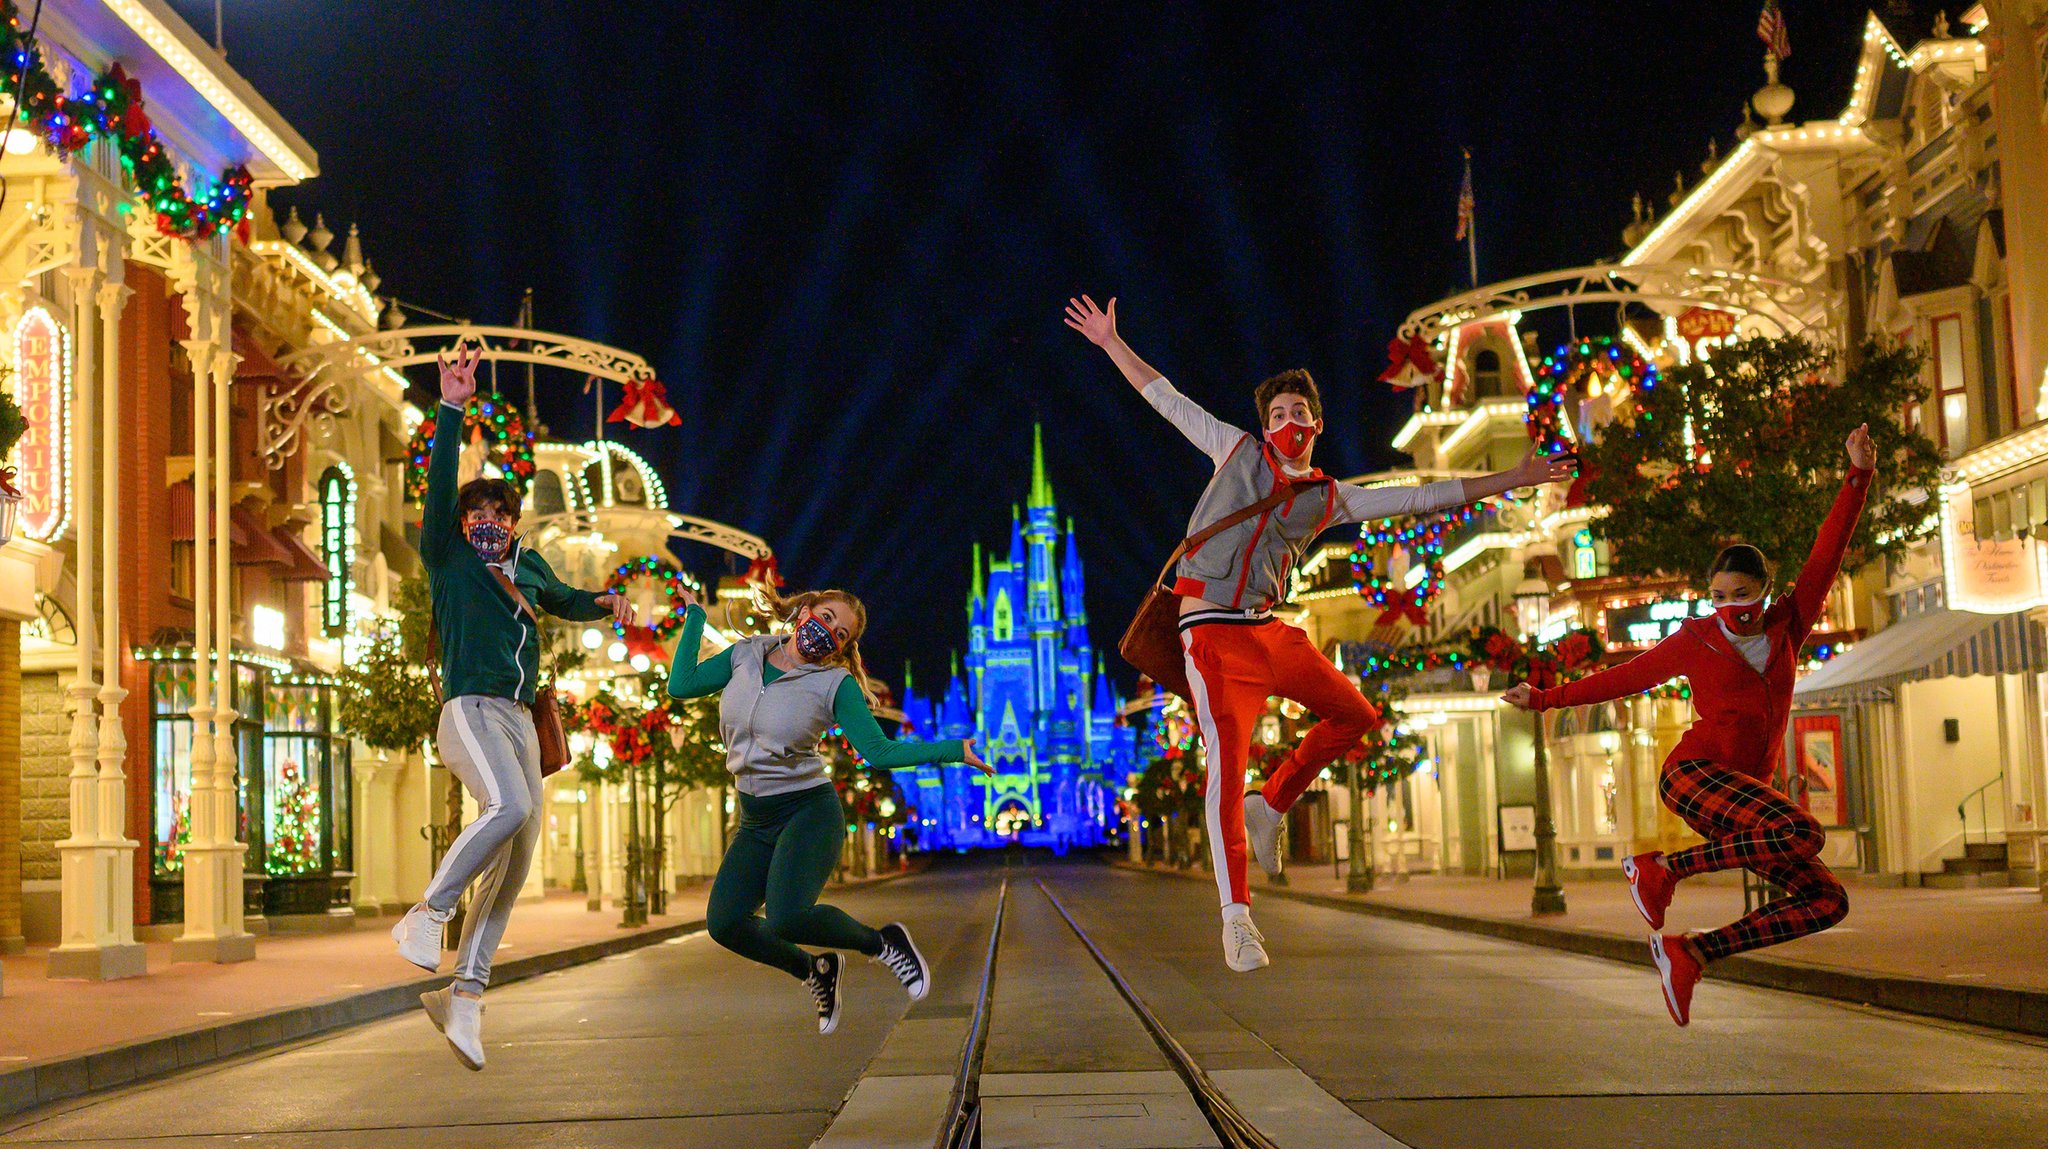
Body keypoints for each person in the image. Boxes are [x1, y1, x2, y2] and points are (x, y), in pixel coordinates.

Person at [1067, 295, 1572, 970]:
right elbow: (1167, 399)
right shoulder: (1234, 450)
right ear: (1264, 424)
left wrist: (1513, 478)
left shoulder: (1329, 497)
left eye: (1298, 411)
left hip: (1270, 632)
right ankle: (1237, 919)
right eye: (1276, 413)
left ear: (1317, 424)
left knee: (1356, 713)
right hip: (1212, 638)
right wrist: (1109, 343)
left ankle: (1271, 805)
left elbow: (1420, 498)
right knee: (1225, 773)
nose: (1287, 420)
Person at [1505, 423, 1876, 1027]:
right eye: (1718, 595)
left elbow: (1826, 554)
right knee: (1802, 831)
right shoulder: (1695, 640)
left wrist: (1857, 474)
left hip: (1746, 797)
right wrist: (1545, 699)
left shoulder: (1789, 625)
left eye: (1742, 594)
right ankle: (1661, 868)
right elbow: (1624, 678)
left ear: (1765, 592)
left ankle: (1691, 951)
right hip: (1693, 775)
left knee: (1826, 899)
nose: (1730, 607)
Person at [391, 344, 639, 1069]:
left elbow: (566, 600)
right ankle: (428, 912)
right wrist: (452, 404)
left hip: (522, 717)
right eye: (480, 511)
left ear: (515, 519)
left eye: (501, 511)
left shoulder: (526, 567)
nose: (489, 520)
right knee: (509, 808)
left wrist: (609, 602)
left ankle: (467, 995)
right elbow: (440, 488)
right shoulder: (448, 554)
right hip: (469, 706)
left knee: (518, 852)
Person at [668, 584, 992, 1033]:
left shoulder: (834, 685)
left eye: (840, 635)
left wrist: (953, 749)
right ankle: (814, 971)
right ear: (805, 611)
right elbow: (681, 685)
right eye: (826, 618)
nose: (828, 634)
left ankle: (883, 943)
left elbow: (878, 751)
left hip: (807, 811)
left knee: (787, 917)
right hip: (755, 817)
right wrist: (695, 618)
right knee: (724, 923)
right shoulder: (746, 654)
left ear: (844, 648)